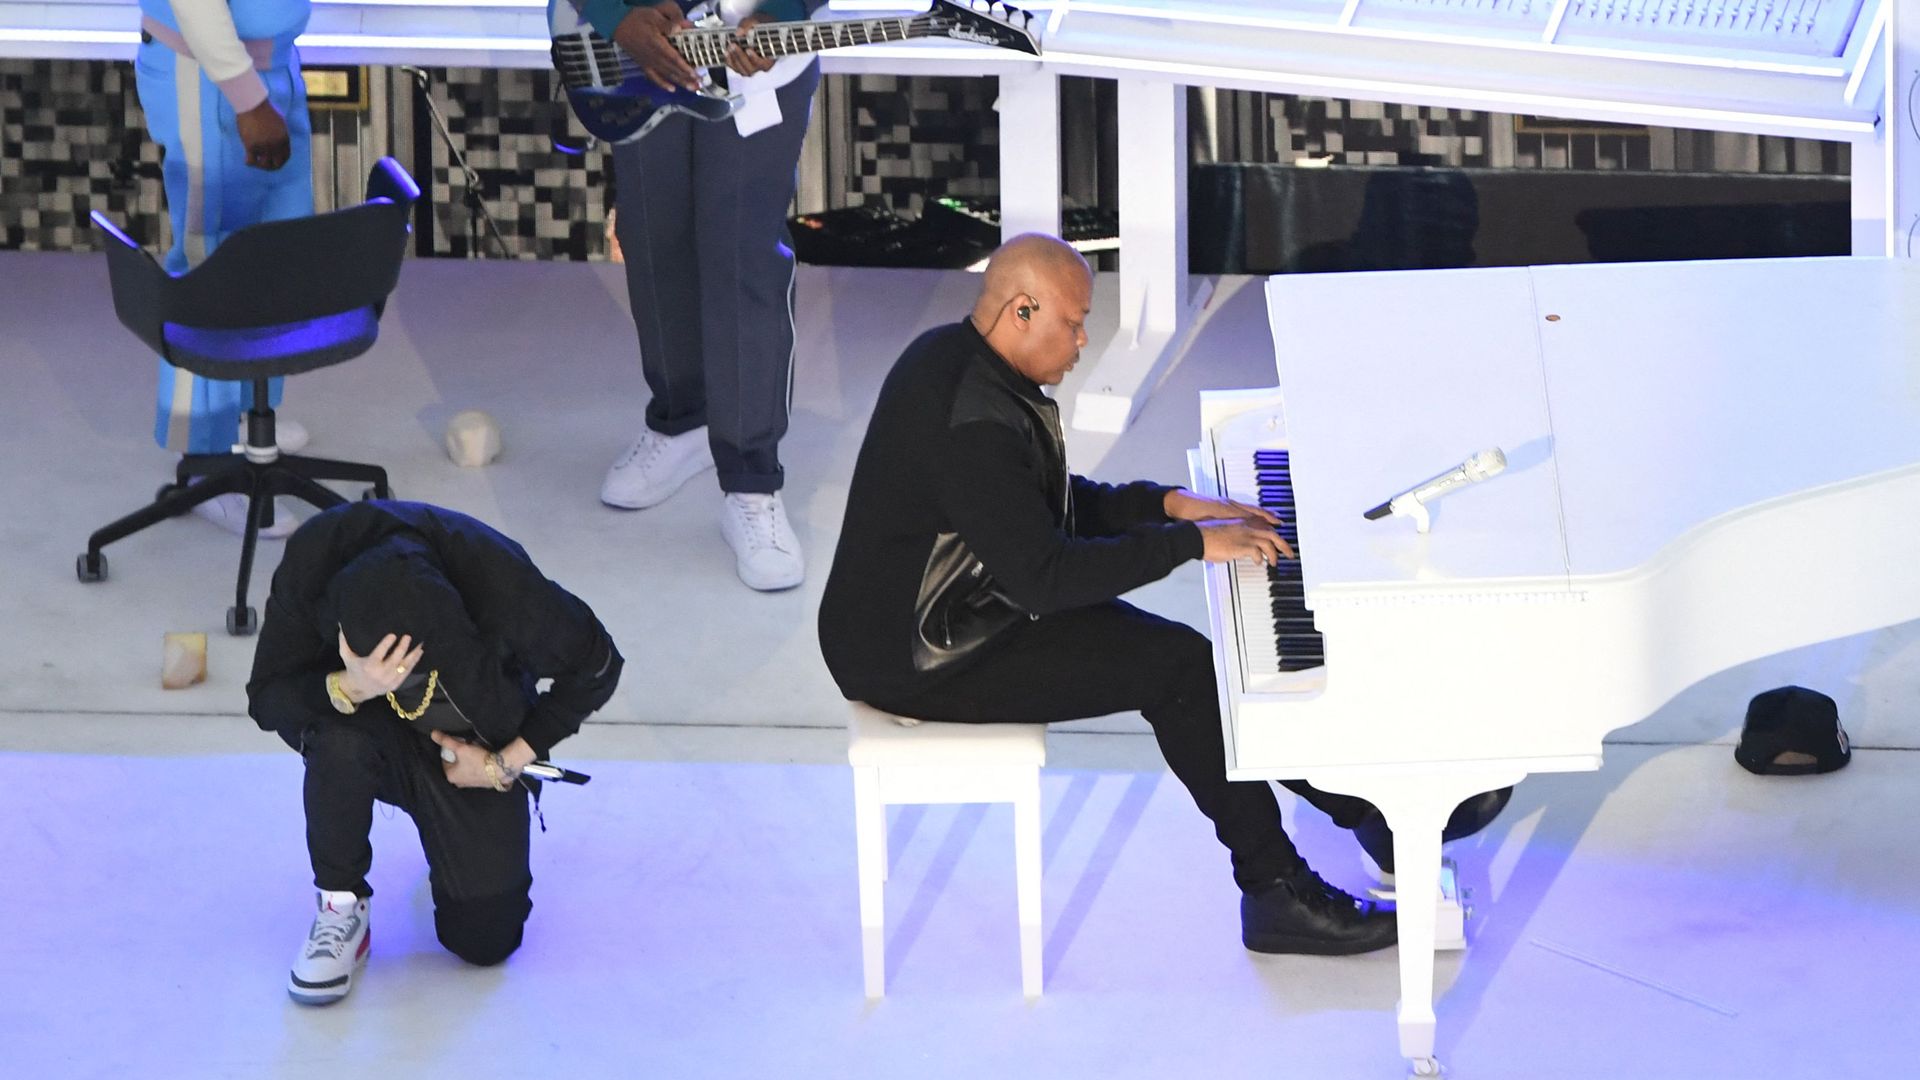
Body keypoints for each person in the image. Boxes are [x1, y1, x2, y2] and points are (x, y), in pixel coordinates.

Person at [817, 234, 1398, 955]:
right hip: (918, 652)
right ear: (1022, 310)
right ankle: (1283, 885)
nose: (1086, 340)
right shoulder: (968, 419)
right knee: (1176, 668)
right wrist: (1189, 545)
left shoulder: (959, 359)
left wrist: (1165, 506)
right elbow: (1047, 577)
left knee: (1177, 662)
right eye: (1075, 321)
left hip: (958, 611)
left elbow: (1040, 509)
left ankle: (1362, 812)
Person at [247, 501, 624, 1004]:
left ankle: (457, 838)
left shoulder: (499, 581)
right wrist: (349, 685)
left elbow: (599, 665)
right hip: (367, 729)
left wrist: (503, 762)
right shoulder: (313, 564)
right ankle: (341, 906)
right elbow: (266, 698)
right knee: (335, 736)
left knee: (486, 940)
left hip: (474, 742)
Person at [575, 0, 825, 590]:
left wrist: (786, 11)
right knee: (650, 238)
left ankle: (751, 482)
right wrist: (613, 15)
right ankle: (681, 421)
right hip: (638, 54)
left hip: (758, 58)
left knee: (742, 255)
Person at [134, 0, 313, 537]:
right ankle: (206, 462)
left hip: (269, 67)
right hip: (210, 77)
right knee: (211, 266)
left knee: (274, 250)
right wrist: (247, 98)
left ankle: (247, 417)